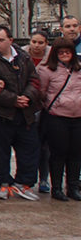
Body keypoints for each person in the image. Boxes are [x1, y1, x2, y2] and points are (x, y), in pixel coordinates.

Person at [0, 25, 42, 201]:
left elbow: (34, 80)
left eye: (0, 40)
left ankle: (23, 184)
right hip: (0, 114)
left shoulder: (23, 57)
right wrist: (14, 100)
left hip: (25, 113)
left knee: (29, 149)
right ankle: (3, 183)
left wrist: (26, 97)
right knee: (1, 151)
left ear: (10, 41)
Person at [37, 38, 81, 201]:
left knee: (75, 154)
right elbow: (42, 92)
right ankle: (56, 188)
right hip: (57, 116)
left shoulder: (78, 69)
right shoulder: (47, 70)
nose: (64, 55)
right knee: (58, 153)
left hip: (77, 116)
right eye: (61, 52)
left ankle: (73, 187)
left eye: (68, 52)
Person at [27, 30, 52, 192]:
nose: (36, 46)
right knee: (27, 145)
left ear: (46, 44)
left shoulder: (53, 57)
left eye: (40, 43)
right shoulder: (21, 55)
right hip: (27, 104)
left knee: (45, 146)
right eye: (34, 42)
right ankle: (26, 178)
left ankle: (44, 178)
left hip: (46, 106)